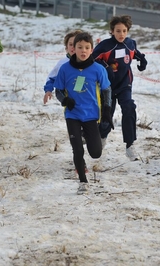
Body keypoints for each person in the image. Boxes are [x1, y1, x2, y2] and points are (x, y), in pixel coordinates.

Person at [54, 32, 113, 195]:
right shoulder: (65, 69)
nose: (83, 50)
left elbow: (107, 89)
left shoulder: (98, 69)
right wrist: (65, 100)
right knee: (77, 150)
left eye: (87, 47)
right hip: (72, 114)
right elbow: (58, 89)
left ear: (91, 49)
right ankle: (82, 182)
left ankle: (85, 135)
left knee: (95, 152)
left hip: (91, 115)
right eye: (79, 47)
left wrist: (107, 110)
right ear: (74, 48)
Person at [92, 15, 147, 161]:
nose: (121, 34)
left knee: (129, 107)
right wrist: (105, 67)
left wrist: (142, 60)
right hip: (107, 87)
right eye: (118, 31)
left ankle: (130, 145)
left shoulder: (130, 43)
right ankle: (102, 136)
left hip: (124, 84)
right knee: (106, 116)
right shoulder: (105, 46)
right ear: (112, 31)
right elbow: (92, 59)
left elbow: (135, 53)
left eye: (124, 31)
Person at [43, 30, 82, 104]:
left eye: (76, 44)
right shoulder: (63, 64)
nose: (73, 47)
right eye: (70, 44)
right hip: (70, 101)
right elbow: (52, 78)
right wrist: (48, 90)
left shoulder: (90, 63)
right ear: (66, 48)